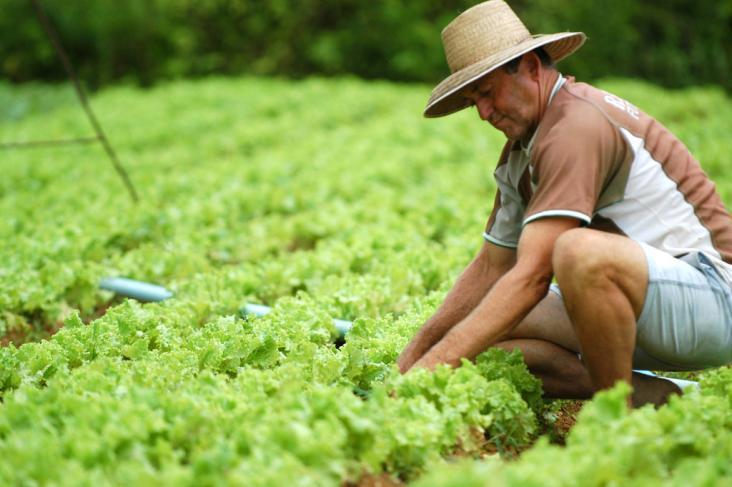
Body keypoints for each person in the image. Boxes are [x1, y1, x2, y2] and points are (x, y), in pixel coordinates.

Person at [397, 0, 732, 407]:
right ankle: (667, 397)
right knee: (482, 327)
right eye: (473, 102)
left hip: (712, 298)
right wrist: (414, 357)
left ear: (531, 68)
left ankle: (617, 416)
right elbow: (491, 266)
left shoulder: (576, 124)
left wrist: (434, 368)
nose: (483, 113)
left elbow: (533, 277)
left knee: (577, 252)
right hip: (642, 311)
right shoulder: (521, 152)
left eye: (487, 93)